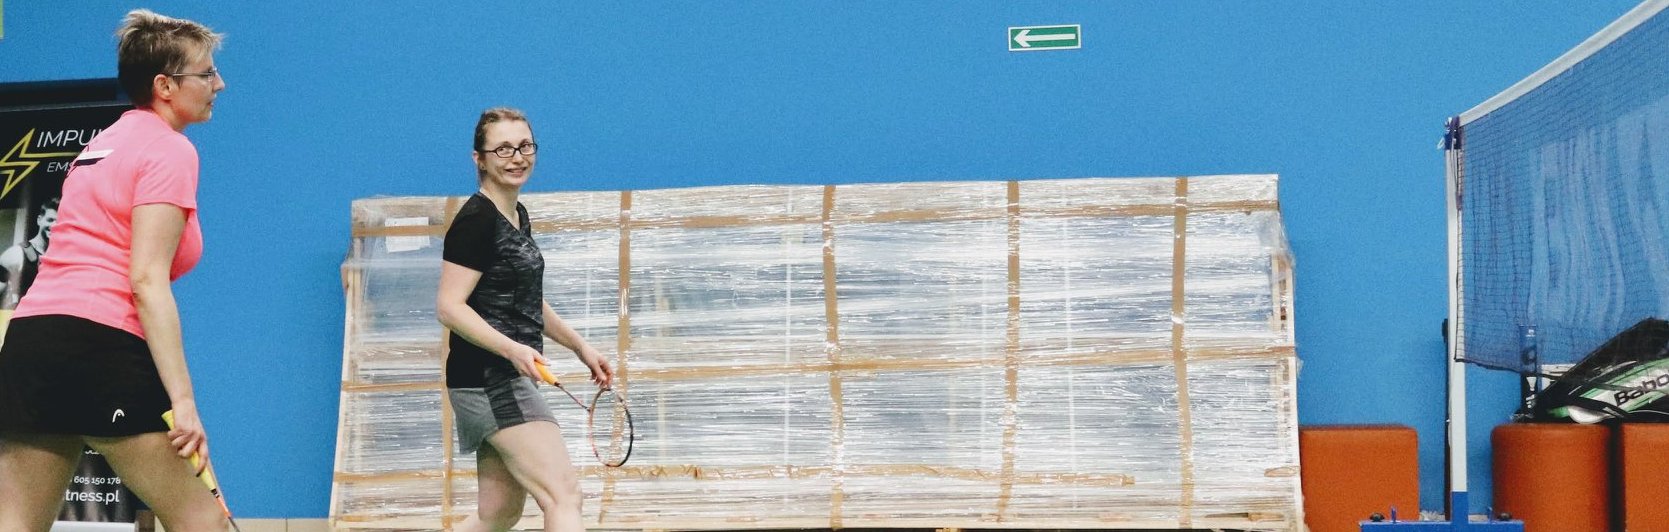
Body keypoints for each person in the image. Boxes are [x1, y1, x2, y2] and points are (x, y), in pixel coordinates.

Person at [0, 9, 229, 532]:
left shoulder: (99, 145)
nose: (219, 84)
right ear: (165, 86)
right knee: (202, 522)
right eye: (207, 73)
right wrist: (184, 403)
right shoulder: (169, 149)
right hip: (99, 346)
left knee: (16, 525)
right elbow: (145, 280)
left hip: (32, 343)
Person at [438, 107, 614, 532]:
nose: (517, 157)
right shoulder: (476, 222)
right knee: (563, 495)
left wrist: (580, 346)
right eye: (502, 149)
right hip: (489, 378)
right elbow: (449, 306)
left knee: (498, 512)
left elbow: (526, 300)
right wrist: (512, 349)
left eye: (525, 146)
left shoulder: (516, 215)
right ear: (479, 159)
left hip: (503, 374)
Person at [0, 197, 61, 309]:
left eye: (58, 222)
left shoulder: (62, 258)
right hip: (22, 317)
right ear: (39, 220)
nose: (54, 226)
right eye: (50, 220)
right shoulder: (17, 254)